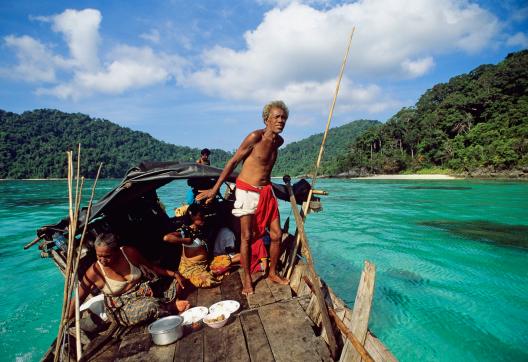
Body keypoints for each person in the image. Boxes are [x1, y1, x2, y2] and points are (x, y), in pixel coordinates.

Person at [196, 100, 290, 295]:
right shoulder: (255, 137)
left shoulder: (279, 142)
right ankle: (247, 278)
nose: (281, 120)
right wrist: (214, 189)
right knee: (246, 237)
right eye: (277, 117)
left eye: (284, 118)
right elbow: (233, 161)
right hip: (247, 190)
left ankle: (272, 272)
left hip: (266, 192)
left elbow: (265, 170)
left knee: (276, 235)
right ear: (267, 119)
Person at [68, 233, 190, 326]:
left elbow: (151, 267)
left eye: (107, 256)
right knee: (151, 305)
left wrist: (174, 274)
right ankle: (170, 307)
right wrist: (66, 319)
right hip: (122, 308)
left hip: (144, 293)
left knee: (177, 283)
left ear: (117, 251)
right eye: (98, 255)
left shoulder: (128, 252)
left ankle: (165, 305)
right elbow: (78, 298)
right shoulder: (94, 272)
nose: (102, 260)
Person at [163, 204, 231, 288]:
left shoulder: (201, 229)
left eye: (204, 215)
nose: (204, 218)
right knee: (206, 281)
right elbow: (167, 238)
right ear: (192, 216)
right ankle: (214, 273)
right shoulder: (186, 231)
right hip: (191, 268)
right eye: (201, 216)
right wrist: (185, 240)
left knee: (226, 259)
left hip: (206, 264)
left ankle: (213, 271)